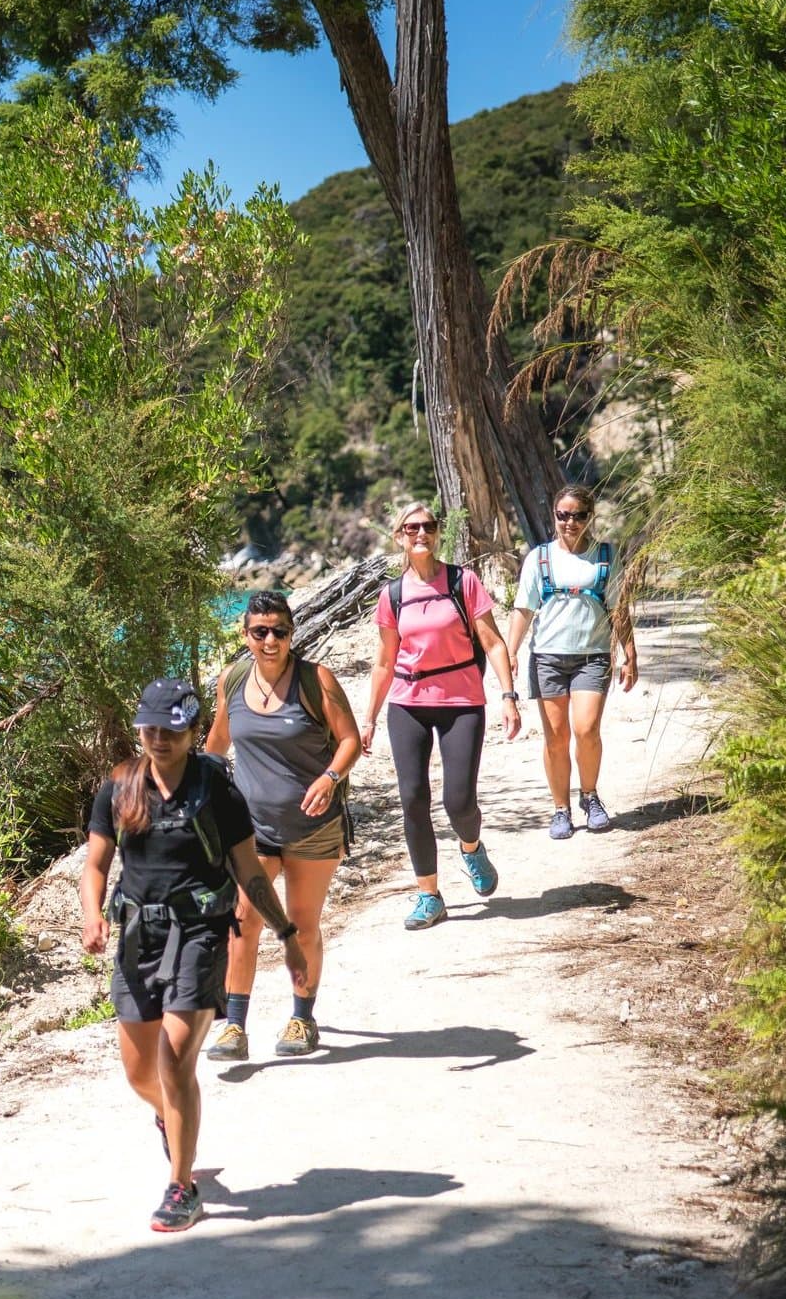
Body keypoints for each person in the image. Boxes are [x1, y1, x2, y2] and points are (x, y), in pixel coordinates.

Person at [81, 678, 309, 1234]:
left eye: (170, 730)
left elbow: (250, 873)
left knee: (176, 1060)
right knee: (141, 1075)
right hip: (138, 938)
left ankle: (182, 1187)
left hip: (200, 937)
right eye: (150, 729)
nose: (158, 739)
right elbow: (95, 865)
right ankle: (170, 1118)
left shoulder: (217, 792)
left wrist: (286, 933)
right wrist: (91, 913)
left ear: (189, 731)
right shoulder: (119, 788)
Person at [202, 591, 361, 1061]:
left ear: (292, 633)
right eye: (260, 632)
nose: (270, 640)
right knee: (242, 922)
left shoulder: (316, 681)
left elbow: (350, 740)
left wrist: (330, 778)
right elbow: (217, 741)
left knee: (301, 925)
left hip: (313, 830)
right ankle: (234, 1027)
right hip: (254, 831)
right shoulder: (231, 681)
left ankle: (302, 1018)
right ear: (245, 635)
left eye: (280, 631)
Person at [358, 501, 523, 929]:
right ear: (399, 537)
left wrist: (508, 695)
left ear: (436, 533)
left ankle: (471, 848)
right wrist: (369, 718)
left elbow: (493, 642)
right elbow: (383, 660)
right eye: (411, 528)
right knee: (413, 798)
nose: (420, 534)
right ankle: (429, 895)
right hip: (407, 701)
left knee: (458, 800)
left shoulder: (462, 582)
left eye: (427, 526)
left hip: (461, 702)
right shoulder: (392, 595)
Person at [504, 484, 639, 838]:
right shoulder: (540, 558)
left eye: (578, 515)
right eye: (563, 515)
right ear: (554, 516)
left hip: (592, 657)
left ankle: (590, 796)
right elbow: (524, 608)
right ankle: (560, 809)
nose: (570, 523)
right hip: (547, 657)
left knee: (586, 729)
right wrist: (511, 651)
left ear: (589, 517)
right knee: (556, 738)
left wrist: (630, 652)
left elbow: (618, 608)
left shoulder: (606, 556)